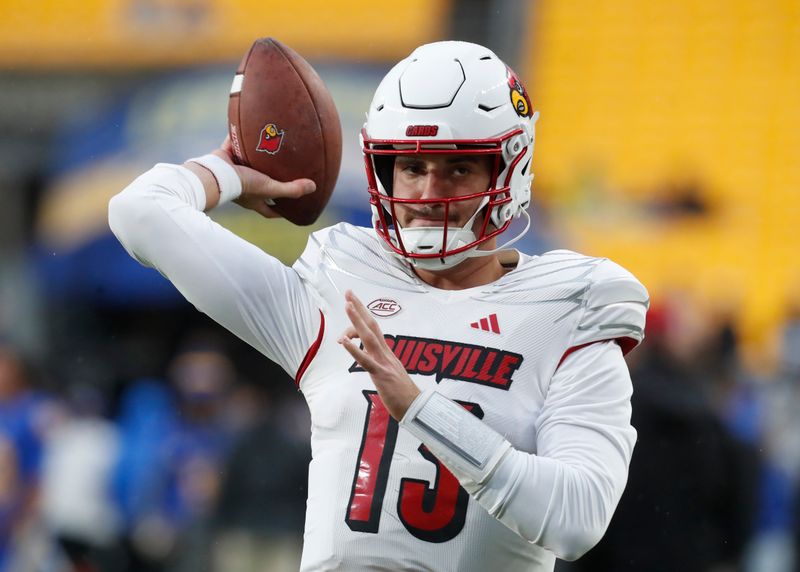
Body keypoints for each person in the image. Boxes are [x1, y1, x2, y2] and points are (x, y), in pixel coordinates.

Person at [108, 41, 648, 572]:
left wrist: (422, 409)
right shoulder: (340, 282)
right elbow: (139, 213)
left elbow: (578, 520)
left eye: (457, 170)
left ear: (508, 173)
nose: (428, 192)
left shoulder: (567, 307)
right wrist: (227, 172)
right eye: (411, 167)